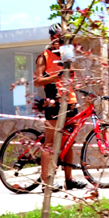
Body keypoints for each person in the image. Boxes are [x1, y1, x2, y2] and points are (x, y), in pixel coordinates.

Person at [34, 25, 83, 190]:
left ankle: (69, 180)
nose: (62, 42)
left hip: (70, 101)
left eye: (65, 39)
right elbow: (38, 81)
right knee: (49, 144)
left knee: (69, 142)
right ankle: (46, 182)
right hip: (53, 103)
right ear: (52, 38)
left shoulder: (67, 55)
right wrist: (56, 76)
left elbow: (72, 79)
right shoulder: (44, 57)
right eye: (59, 38)